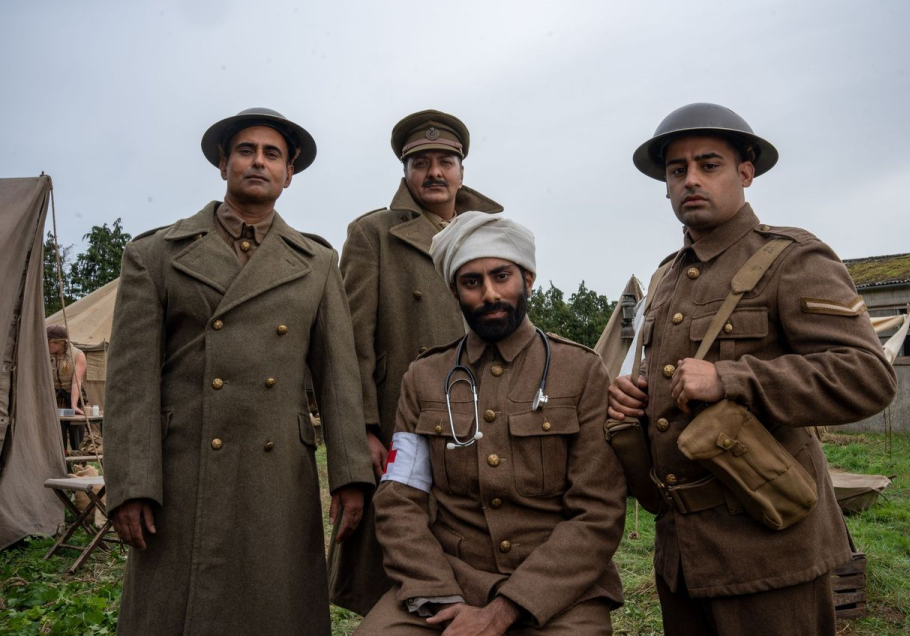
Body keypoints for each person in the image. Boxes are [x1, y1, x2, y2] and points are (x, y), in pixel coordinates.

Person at [608, 103, 897, 634]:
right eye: (677, 170)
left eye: (709, 164)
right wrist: (637, 396)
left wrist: (732, 379)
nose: (691, 179)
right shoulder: (665, 278)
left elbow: (867, 376)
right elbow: (671, 385)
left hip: (769, 551)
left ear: (746, 172)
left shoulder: (793, 259)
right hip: (683, 557)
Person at [103, 108, 374, 636]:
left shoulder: (316, 262)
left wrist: (350, 475)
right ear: (223, 163)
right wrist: (131, 483)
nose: (258, 161)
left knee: (274, 606)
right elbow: (130, 381)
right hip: (182, 469)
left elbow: (339, 376)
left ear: (289, 173)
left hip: (276, 473)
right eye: (246, 151)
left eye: (273, 154)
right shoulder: (155, 254)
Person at [357, 213, 626, 635]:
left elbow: (597, 513)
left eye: (502, 276)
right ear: (453, 290)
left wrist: (503, 610)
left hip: (558, 592)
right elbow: (398, 501)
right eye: (471, 282)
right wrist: (440, 595)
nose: (489, 294)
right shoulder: (424, 377)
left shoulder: (581, 372)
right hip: (449, 583)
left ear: (529, 278)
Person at [330, 109, 504, 614]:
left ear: (462, 170)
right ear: (405, 172)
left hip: (482, 410)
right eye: (420, 162)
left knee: (473, 537)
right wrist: (362, 426)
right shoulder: (373, 235)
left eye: (445, 161)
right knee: (400, 541)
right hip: (401, 418)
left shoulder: (490, 231)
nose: (434, 172)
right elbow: (351, 341)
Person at [47, 324, 86, 415]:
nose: (46, 345)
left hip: (73, 398)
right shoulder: (47, 355)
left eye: (48, 342)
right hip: (53, 400)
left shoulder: (77, 355)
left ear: (58, 343)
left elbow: (76, 382)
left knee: (75, 428)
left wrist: (74, 405)